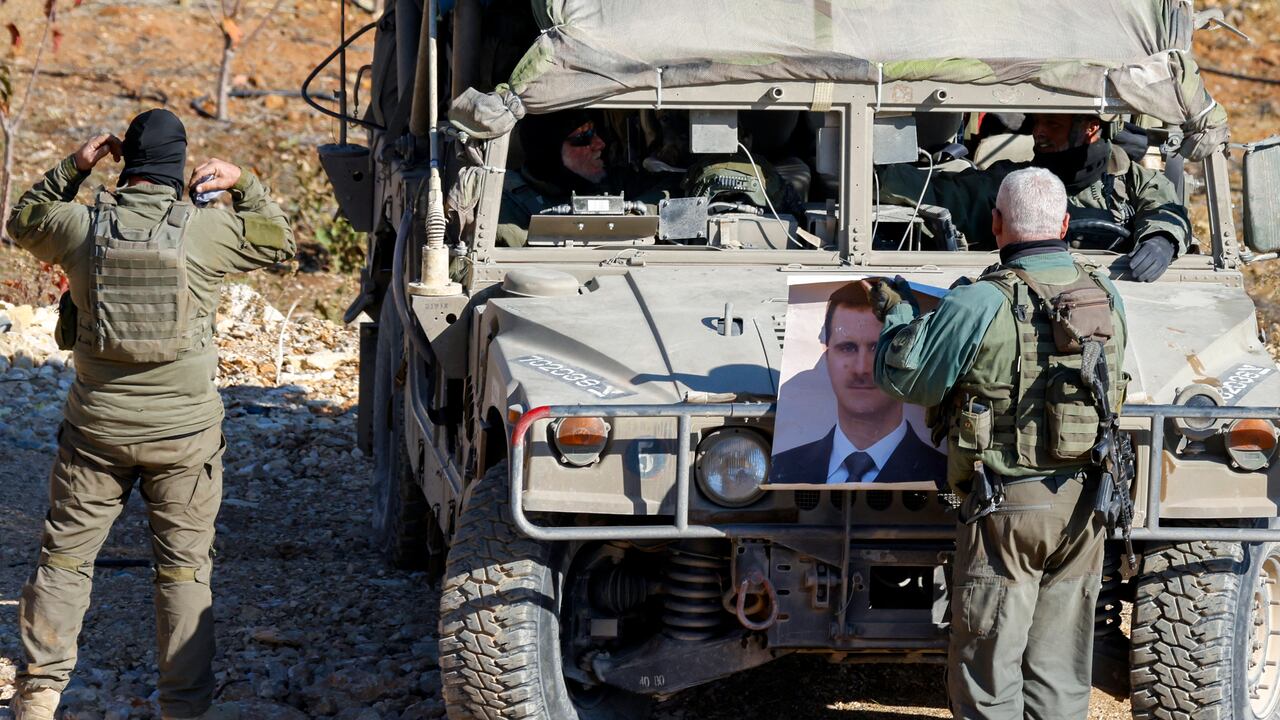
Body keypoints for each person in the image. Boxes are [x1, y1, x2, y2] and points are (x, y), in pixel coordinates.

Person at [5, 108, 294, 720]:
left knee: (63, 563)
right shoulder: (205, 232)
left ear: (127, 162)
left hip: (95, 434)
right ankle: (183, 710)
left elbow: (21, 221)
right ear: (181, 168)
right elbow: (279, 239)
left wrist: (77, 165)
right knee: (184, 575)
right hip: (185, 440)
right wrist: (242, 181)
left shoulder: (81, 227)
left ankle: (37, 699)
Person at [870, 167, 1127, 719]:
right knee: (1060, 669)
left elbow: (908, 380)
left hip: (1008, 507)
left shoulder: (980, 302)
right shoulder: (1105, 296)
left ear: (996, 224)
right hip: (1087, 504)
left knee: (988, 669)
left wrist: (896, 316)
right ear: (1064, 222)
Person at [879, 113, 1189, 281]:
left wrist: (1162, 239)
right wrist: (863, 174)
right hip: (1021, 290)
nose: (1038, 132)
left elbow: (1165, 208)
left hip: (1118, 284)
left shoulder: (1131, 180)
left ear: (1092, 128)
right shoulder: (1010, 183)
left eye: (1052, 124)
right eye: (1036, 122)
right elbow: (945, 193)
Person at [770, 281, 946, 485]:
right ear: (826, 357)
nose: (861, 368)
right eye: (847, 348)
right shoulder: (785, 468)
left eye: (877, 348)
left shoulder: (945, 478)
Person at [496, 110, 609, 247]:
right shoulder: (505, 214)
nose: (600, 144)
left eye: (597, 132)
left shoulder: (620, 185)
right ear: (549, 151)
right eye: (583, 136)